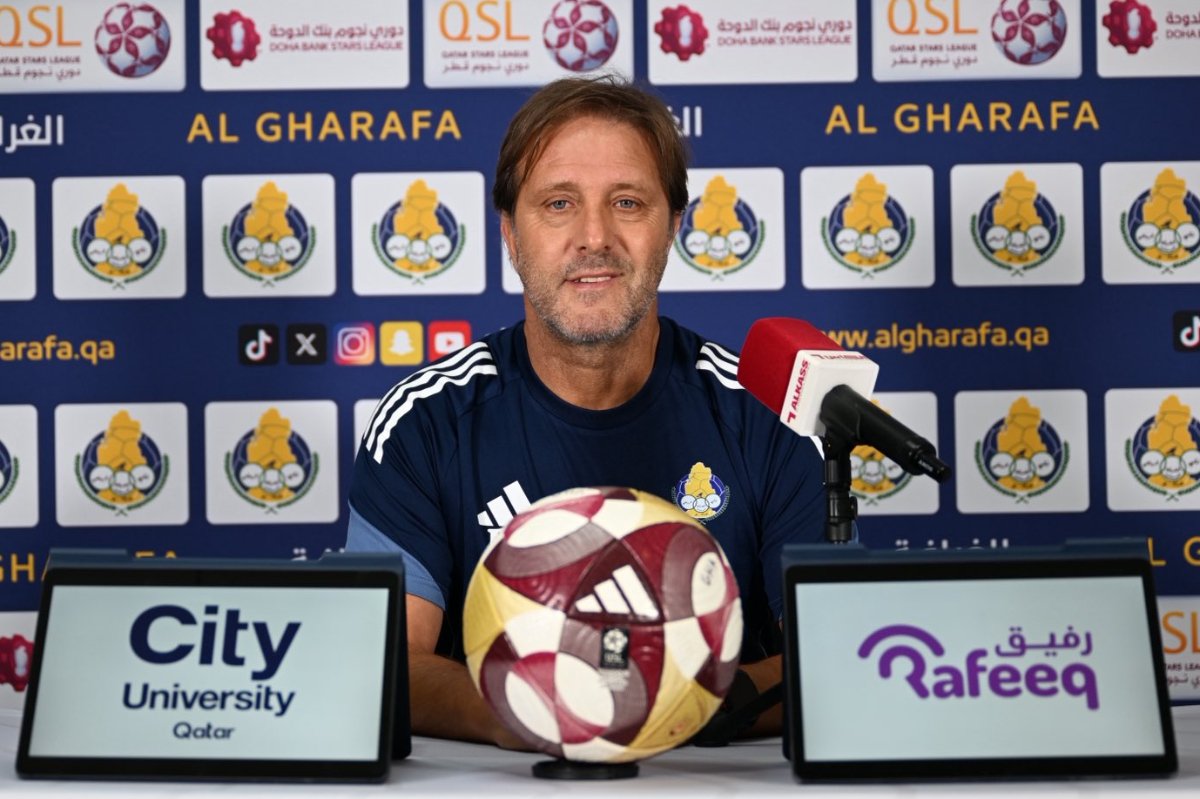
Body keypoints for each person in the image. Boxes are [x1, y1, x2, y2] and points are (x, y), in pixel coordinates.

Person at [347, 75, 825, 746]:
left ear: (673, 227)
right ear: (511, 233)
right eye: (559, 203)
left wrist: (672, 701)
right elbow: (388, 661)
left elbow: (833, 652)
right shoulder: (425, 423)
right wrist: (539, 710)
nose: (594, 235)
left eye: (627, 202)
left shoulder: (768, 415)